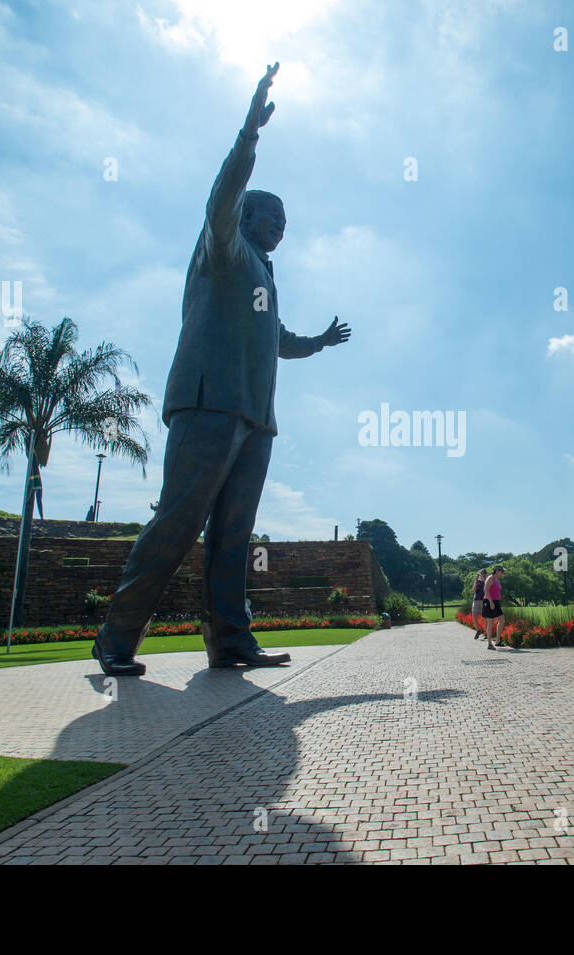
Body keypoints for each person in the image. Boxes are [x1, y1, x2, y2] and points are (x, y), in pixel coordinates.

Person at [91, 63, 351, 676]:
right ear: (247, 217)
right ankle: (116, 638)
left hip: (255, 419)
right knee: (179, 521)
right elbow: (222, 198)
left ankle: (230, 641)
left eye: (285, 221)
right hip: (208, 406)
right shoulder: (223, 248)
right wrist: (249, 136)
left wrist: (318, 342)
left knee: (234, 537)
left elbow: (277, 341)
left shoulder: (262, 276)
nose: (279, 226)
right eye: (271, 216)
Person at [481, 565, 506, 649]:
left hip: (496, 602)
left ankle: (498, 641)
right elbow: (485, 590)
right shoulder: (490, 578)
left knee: (502, 620)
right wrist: (491, 602)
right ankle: (489, 644)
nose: (502, 573)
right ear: (497, 571)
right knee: (490, 622)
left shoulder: (497, 579)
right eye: (502, 571)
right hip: (489, 601)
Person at [471, 569, 487, 638]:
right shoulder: (477, 581)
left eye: (483, 573)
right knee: (474, 614)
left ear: (485, 574)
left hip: (483, 600)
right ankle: (478, 630)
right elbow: (473, 590)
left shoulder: (487, 581)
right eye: (481, 573)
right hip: (476, 599)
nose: (482, 574)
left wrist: (483, 580)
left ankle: (486, 632)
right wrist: (476, 581)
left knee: (485, 617)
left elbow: (486, 589)